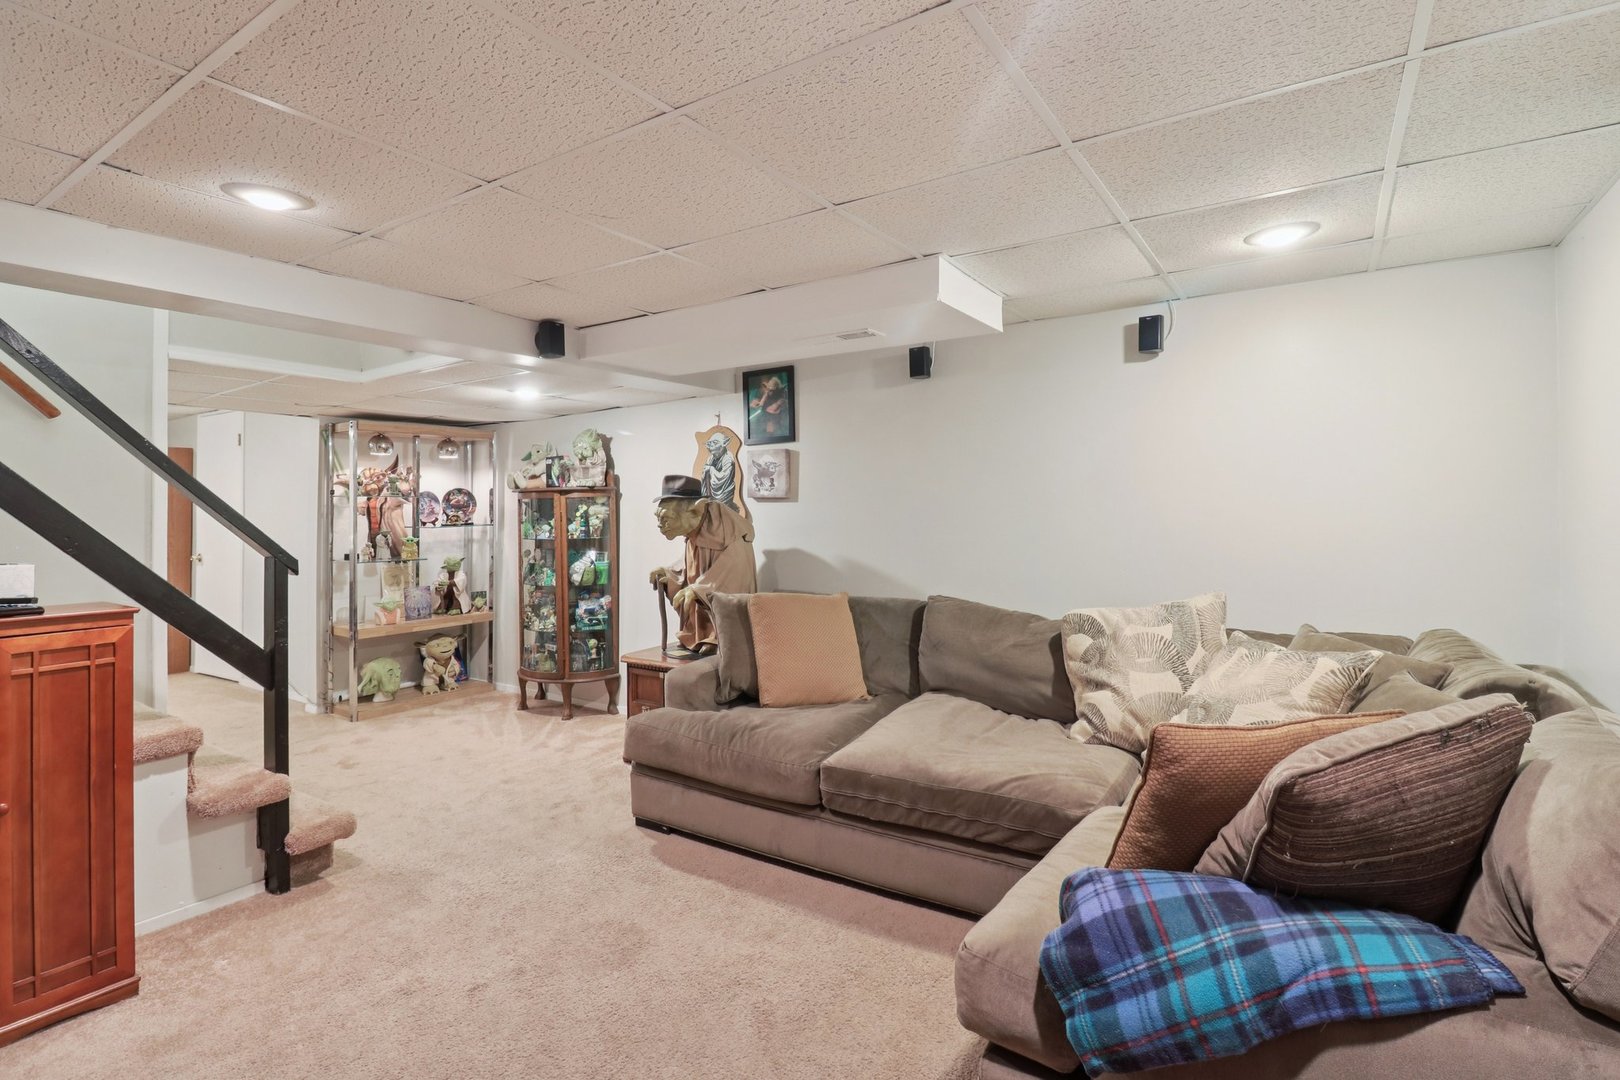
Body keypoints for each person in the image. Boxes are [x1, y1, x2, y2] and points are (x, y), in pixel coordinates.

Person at [649, 475, 756, 655]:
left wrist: (698, 589)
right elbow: (690, 565)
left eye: (667, 519)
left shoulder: (728, 532)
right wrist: (670, 573)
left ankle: (716, 638)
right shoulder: (695, 530)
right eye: (659, 518)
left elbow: (732, 574)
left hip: (729, 628)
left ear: (695, 510)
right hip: (702, 602)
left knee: (702, 597)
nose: (660, 526)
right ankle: (699, 635)